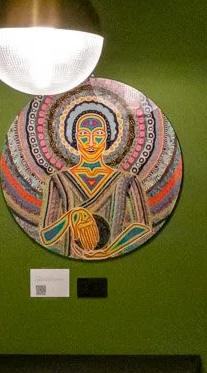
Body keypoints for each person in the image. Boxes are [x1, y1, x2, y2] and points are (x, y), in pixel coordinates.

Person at [36, 105, 154, 259]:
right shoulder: (58, 180)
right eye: (84, 134)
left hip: (116, 261)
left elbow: (142, 225)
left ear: (108, 138)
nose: (91, 142)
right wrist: (71, 216)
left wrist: (110, 251)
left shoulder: (127, 180)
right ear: (74, 139)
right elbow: (46, 236)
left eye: (98, 134)